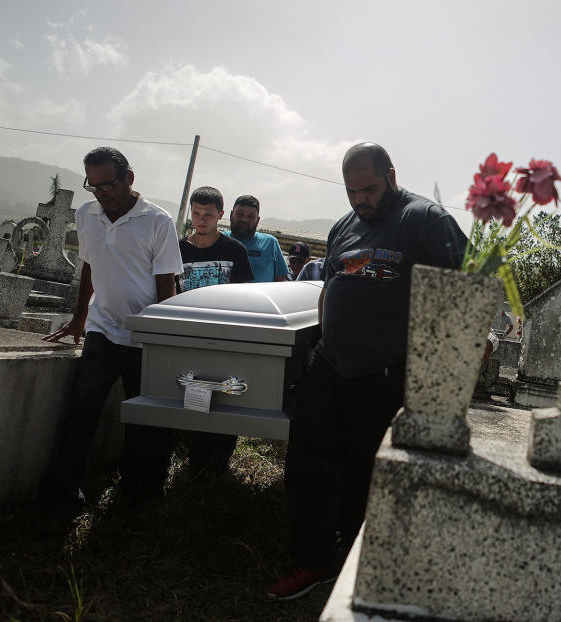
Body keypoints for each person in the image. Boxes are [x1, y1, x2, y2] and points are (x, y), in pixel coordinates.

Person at [266, 143, 468, 600]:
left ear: (391, 176)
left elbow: (469, 283)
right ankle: (313, 561)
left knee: (368, 475)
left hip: (385, 374)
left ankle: (364, 569)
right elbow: (330, 286)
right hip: (329, 365)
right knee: (308, 465)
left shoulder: (425, 220)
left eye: (369, 189)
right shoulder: (345, 225)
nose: (361, 200)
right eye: (351, 191)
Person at [41, 146, 183, 505]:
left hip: (143, 335)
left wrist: (161, 337)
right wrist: (80, 318)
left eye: (108, 184)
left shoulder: (157, 221)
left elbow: (166, 284)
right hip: (102, 328)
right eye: (94, 185)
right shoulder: (88, 214)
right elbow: (88, 266)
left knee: (139, 417)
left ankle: (133, 490)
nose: (101, 192)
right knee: (82, 409)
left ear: (129, 179)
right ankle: (64, 489)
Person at [176, 186, 254, 473]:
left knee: (226, 396)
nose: (201, 219)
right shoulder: (179, 250)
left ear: (221, 215)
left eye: (208, 214)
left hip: (225, 335)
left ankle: (219, 461)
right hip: (189, 335)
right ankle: (193, 459)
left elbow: (245, 296)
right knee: (193, 392)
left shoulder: (235, 250)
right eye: (196, 213)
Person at [224, 195, 288, 282]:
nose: (244, 220)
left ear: (257, 220)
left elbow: (281, 281)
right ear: (231, 215)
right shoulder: (220, 240)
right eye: (240, 214)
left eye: (250, 216)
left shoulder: (270, 243)